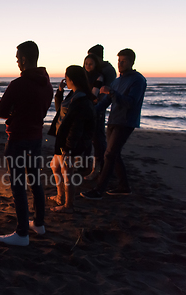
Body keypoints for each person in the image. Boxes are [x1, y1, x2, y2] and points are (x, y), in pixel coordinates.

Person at [0, 41, 53, 246]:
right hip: (36, 137)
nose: (17, 61)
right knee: (35, 180)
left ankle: (22, 234)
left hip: (18, 138)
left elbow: (1, 112)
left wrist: (15, 113)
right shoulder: (46, 83)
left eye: (18, 58)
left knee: (18, 185)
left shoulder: (18, 84)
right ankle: (39, 223)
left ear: (25, 59)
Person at [81, 48, 147, 200]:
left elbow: (131, 103)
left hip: (126, 122)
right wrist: (91, 112)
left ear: (132, 62)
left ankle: (99, 190)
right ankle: (124, 186)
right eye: (119, 60)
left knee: (109, 154)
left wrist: (112, 92)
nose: (120, 64)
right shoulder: (117, 81)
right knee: (114, 154)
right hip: (113, 120)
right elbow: (105, 102)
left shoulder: (138, 80)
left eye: (124, 61)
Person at [48, 66, 96, 213]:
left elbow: (77, 128)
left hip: (71, 142)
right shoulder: (73, 95)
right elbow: (59, 110)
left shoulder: (81, 100)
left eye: (66, 78)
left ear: (72, 79)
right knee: (54, 166)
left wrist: (68, 148)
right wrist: (60, 91)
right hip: (63, 140)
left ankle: (69, 204)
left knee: (67, 172)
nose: (65, 80)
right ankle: (59, 196)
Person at [83, 54, 105, 180]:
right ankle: (85, 165)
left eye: (90, 64)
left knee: (96, 139)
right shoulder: (85, 76)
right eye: (86, 64)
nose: (88, 66)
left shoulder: (99, 76)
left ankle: (96, 169)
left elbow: (93, 94)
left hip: (94, 111)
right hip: (86, 109)